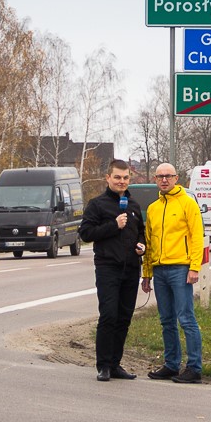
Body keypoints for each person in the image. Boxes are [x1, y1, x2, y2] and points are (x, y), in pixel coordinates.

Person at [78, 159, 145, 382]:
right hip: (108, 268)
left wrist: (141, 246)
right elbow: (86, 233)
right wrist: (113, 226)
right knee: (109, 315)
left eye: (125, 178)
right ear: (108, 178)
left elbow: (141, 233)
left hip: (131, 269)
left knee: (124, 317)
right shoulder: (97, 205)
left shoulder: (133, 206)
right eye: (117, 177)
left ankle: (116, 364)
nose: (121, 181)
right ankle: (103, 366)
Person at [141, 162, 205, 384]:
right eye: (160, 177)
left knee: (186, 318)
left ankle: (194, 367)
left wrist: (194, 267)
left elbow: (197, 236)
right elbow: (148, 242)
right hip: (159, 270)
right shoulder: (153, 208)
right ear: (155, 180)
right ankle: (171, 364)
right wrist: (147, 273)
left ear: (177, 178)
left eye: (168, 176)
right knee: (166, 320)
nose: (164, 180)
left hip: (181, 268)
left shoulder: (188, 204)